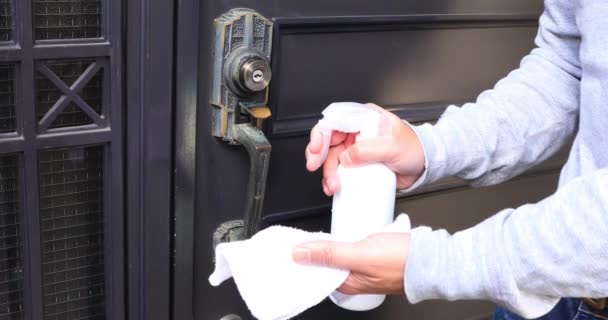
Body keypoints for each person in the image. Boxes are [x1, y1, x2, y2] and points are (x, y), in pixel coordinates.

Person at [291, 1, 608, 319]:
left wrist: (429, 265)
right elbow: (566, 64)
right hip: (553, 285)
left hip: (556, 259)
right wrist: (430, 147)